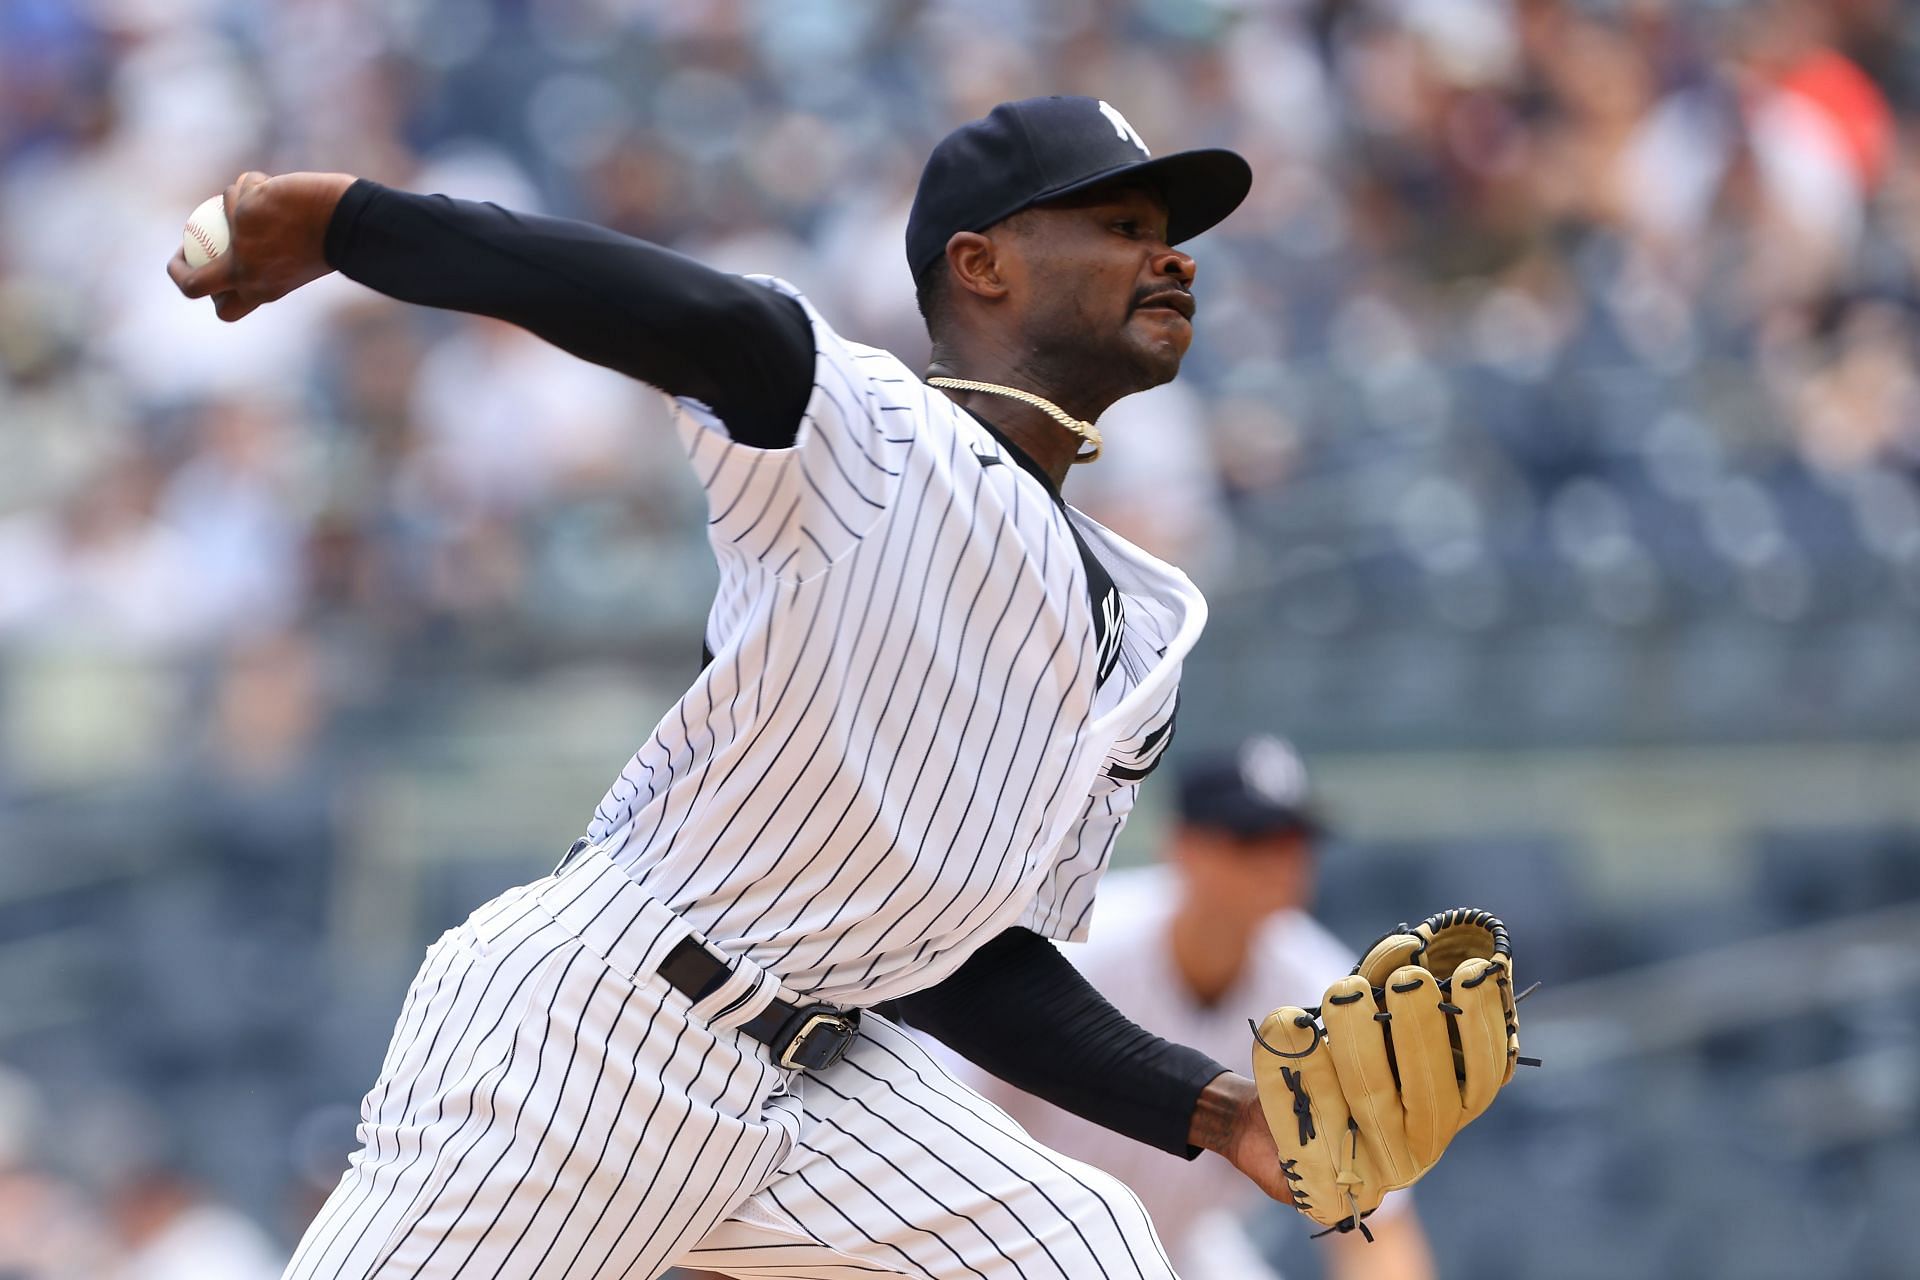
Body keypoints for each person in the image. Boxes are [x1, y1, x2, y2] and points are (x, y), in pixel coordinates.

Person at [168, 96, 1292, 1280]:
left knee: (1085, 1248)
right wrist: (353, 224)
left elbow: (963, 959)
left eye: (1168, 233)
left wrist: (1213, 1105)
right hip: (595, 1042)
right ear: (983, 264)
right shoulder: (870, 434)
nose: (1169, 254)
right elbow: (690, 314)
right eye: (1120, 223)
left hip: (829, 1083)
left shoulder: (1142, 620)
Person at [940, 736, 1438, 1280]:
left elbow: (1376, 1231)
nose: (1279, 861)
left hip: (1173, 1248)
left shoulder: (1328, 998)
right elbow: (938, 1126)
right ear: (1182, 845)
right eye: (1252, 839)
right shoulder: (1077, 950)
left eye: (1295, 840)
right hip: (1001, 1243)